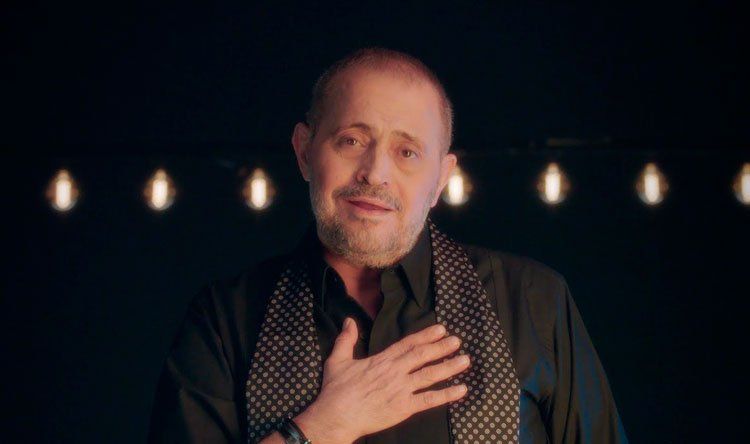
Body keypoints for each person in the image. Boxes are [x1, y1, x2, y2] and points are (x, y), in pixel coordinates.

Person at [147, 47, 629, 444]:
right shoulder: (224, 320)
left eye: (407, 152)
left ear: (441, 178)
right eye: (352, 141)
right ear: (304, 152)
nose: (375, 173)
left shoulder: (533, 300)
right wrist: (320, 430)